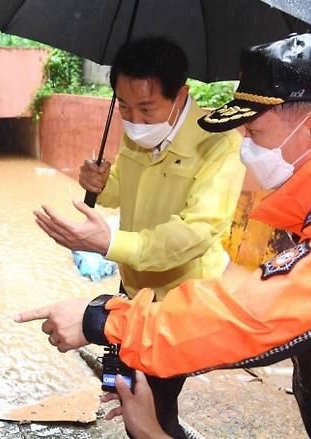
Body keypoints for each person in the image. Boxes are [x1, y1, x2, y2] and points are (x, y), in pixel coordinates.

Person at [17, 33, 311, 438]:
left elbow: (247, 316)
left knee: (156, 412)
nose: (244, 146)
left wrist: (98, 318)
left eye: (255, 132)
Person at [33, 36, 245, 438]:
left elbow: (196, 233)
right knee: (127, 386)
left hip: (180, 300)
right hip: (133, 285)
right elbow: (121, 188)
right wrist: (98, 183)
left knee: (152, 406)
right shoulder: (137, 132)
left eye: (147, 108)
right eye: (125, 107)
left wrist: (111, 244)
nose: (135, 120)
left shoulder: (219, 143)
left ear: (181, 95)